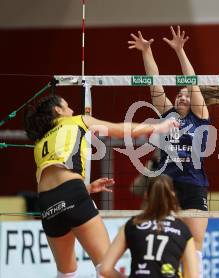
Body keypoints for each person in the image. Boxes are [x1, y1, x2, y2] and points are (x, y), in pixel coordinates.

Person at [128, 25, 219, 277]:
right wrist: (147, 51)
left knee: (195, 246)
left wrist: (180, 51)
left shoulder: (200, 118)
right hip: (167, 186)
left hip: (194, 186)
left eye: (187, 95)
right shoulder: (167, 114)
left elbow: (191, 83)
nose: (182, 97)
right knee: (164, 242)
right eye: (179, 95)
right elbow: (155, 83)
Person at [24, 94, 178, 278]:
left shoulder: (39, 143)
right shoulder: (77, 120)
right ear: (57, 110)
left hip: (47, 203)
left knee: (66, 273)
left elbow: (55, 180)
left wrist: (86, 189)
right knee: (105, 268)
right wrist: (158, 127)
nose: (72, 110)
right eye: (67, 106)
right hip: (72, 193)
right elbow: (121, 130)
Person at [100, 175, 198, 278]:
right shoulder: (182, 229)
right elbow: (192, 276)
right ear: (172, 195)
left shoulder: (132, 224)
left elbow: (105, 269)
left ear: (146, 195)